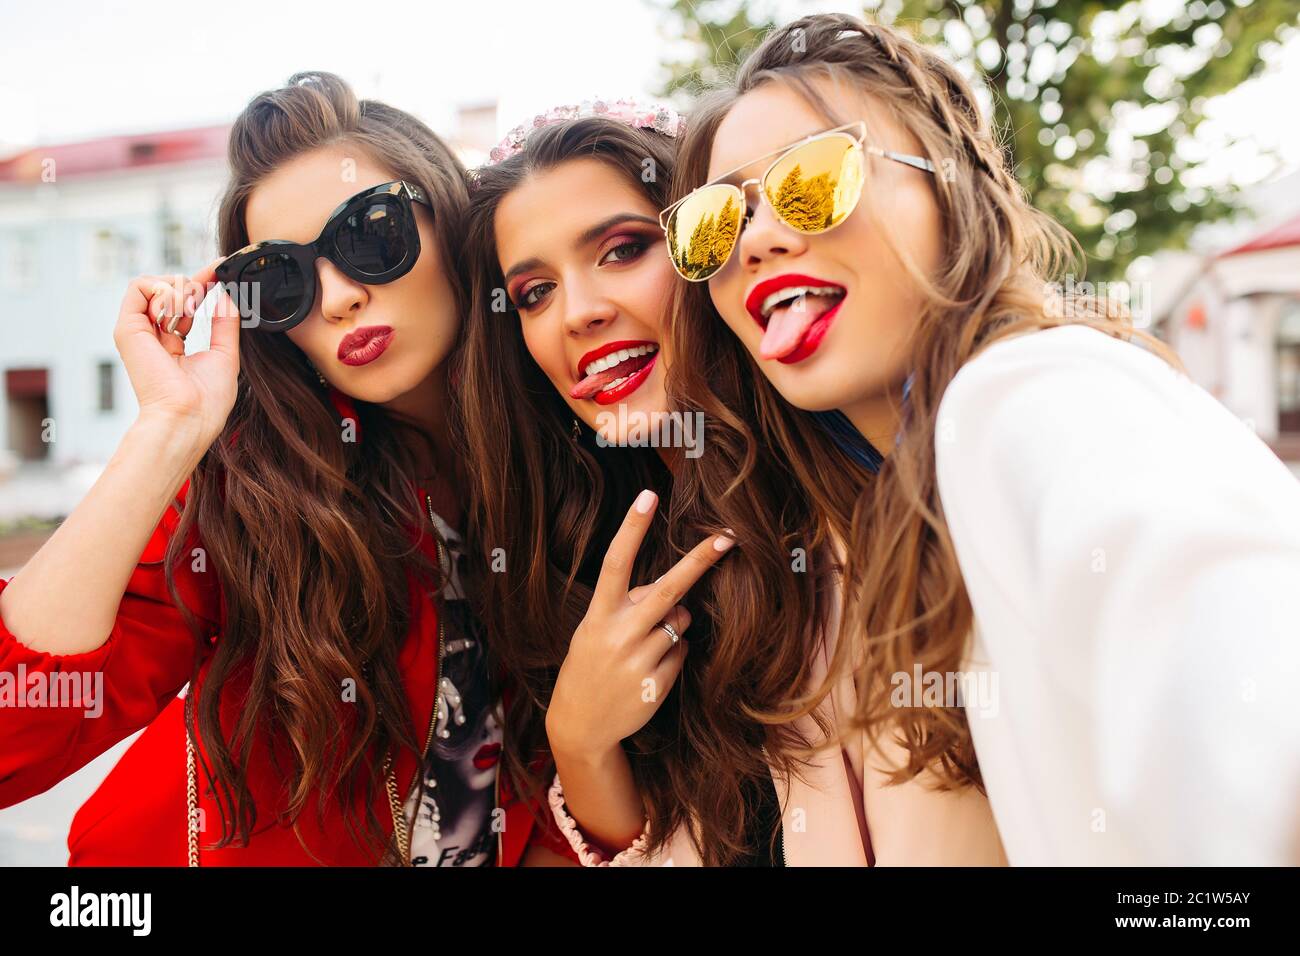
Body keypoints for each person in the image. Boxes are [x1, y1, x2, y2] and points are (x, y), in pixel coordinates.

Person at [662, 12, 1300, 864]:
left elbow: (1255, 716)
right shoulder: (846, 518)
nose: (762, 239)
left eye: (812, 178)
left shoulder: (1027, 390)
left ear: (950, 188)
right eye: (715, 224)